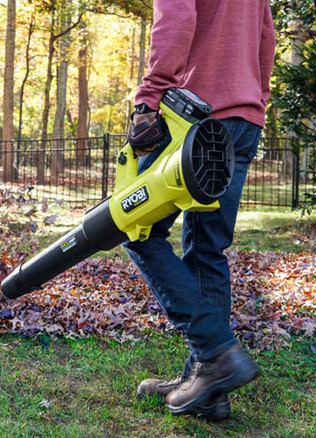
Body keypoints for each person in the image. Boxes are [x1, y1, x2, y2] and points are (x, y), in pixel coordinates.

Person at [124, 0, 276, 421]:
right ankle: (207, 386)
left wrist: (149, 98)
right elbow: (266, 37)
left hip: (196, 116)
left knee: (136, 227)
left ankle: (215, 353)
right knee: (209, 248)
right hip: (244, 118)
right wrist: (254, 100)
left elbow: (177, 17)